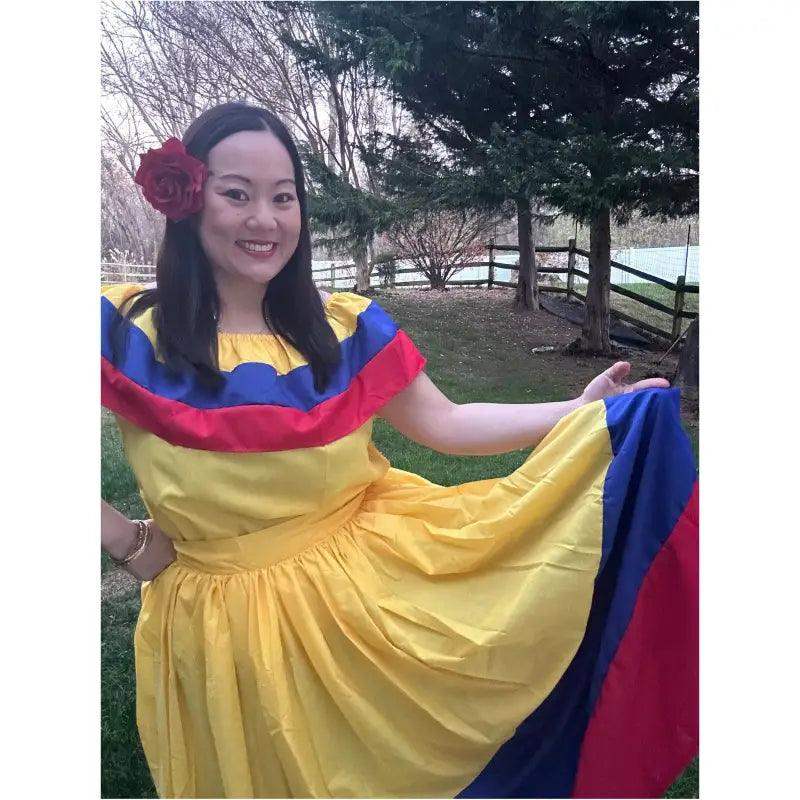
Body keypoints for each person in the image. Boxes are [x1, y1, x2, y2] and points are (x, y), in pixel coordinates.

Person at [101, 102, 698, 799]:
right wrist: (127, 541)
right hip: (217, 626)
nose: (265, 219)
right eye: (238, 194)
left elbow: (446, 422)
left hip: (363, 607)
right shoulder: (127, 332)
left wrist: (576, 410)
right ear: (188, 200)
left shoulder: (342, 328)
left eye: (284, 197)